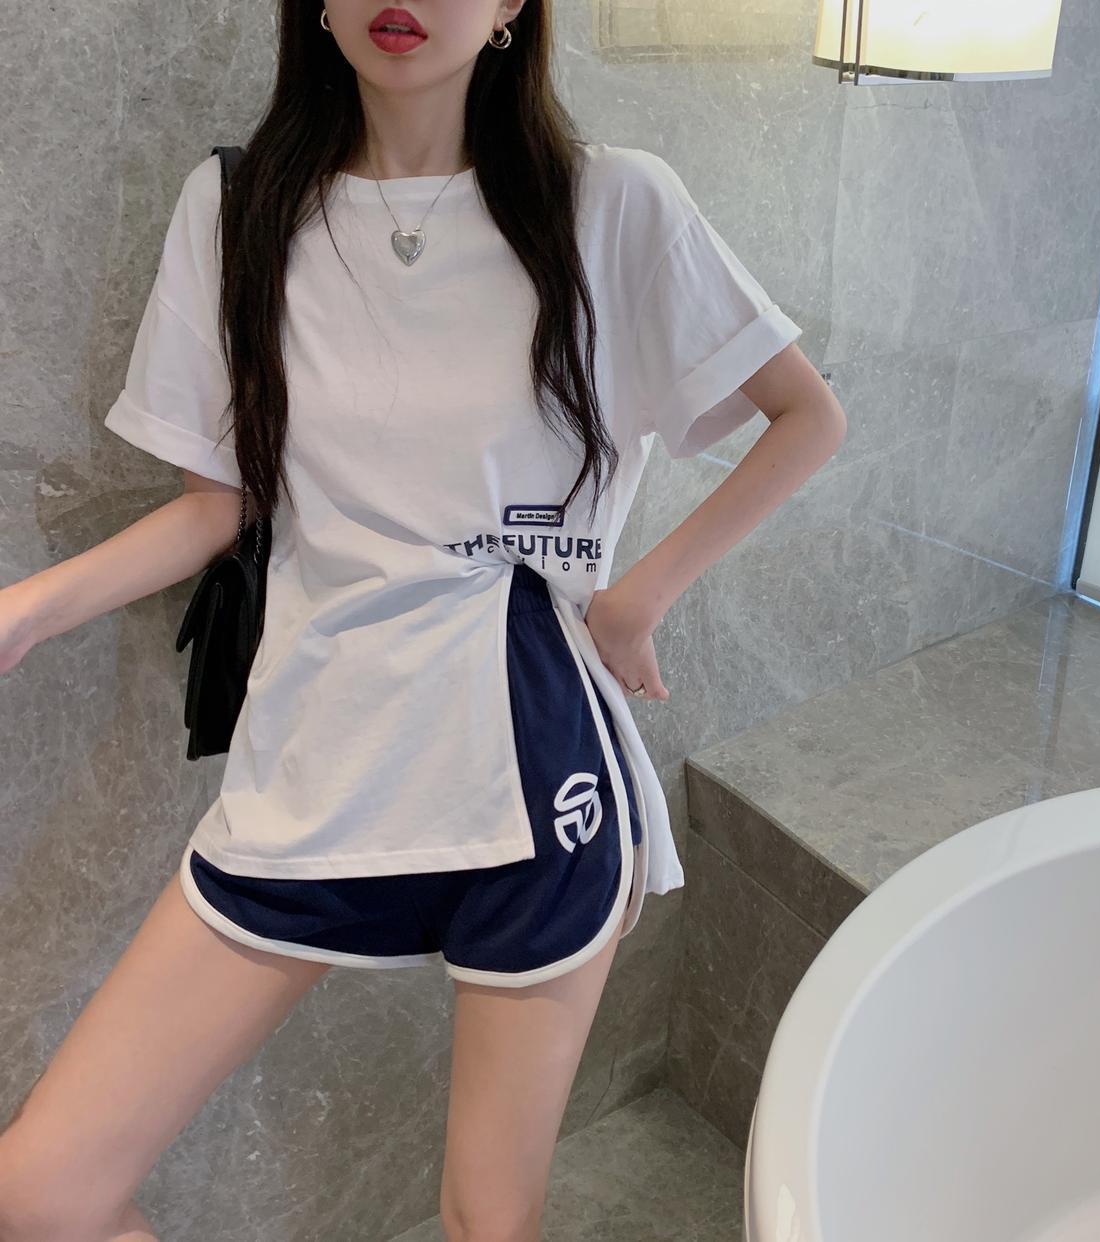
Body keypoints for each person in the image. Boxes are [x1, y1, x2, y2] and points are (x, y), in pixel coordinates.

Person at [0, 1, 847, 1239]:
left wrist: (636, 597)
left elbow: (805, 416)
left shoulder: (613, 203)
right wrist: (25, 611)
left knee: (485, 1222)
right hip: (317, 761)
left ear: (510, 7)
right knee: (40, 1194)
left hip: (534, 771)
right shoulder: (236, 210)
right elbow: (214, 507)